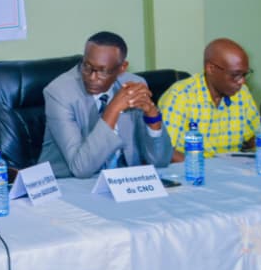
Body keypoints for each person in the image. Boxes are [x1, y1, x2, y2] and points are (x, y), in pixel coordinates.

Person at [40, 31, 171, 178]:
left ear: (122, 68)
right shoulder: (59, 92)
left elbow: (160, 162)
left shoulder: (134, 85)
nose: (92, 77)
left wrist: (152, 117)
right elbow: (81, 169)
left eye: (103, 71)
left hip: (124, 181)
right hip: (69, 183)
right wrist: (113, 109)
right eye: (87, 66)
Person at [159, 38, 261, 159]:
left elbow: (253, 136)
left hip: (230, 166)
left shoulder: (242, 92)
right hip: (192, 167)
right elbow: (164, 151)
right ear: (211, 69)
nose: (242, 81)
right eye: (235, 75)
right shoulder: (180, 95)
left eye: (245, 74)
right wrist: (202, 166)